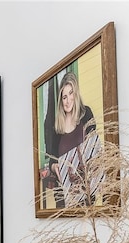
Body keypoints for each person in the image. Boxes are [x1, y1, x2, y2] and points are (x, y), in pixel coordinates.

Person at [45, 71, 97, 207]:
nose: (68, 101)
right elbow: (52, 158)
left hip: (85, 192)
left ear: (76, 93)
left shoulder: (86, 114)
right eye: (64, 97)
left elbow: (94, 149)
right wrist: (54, 166)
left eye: (71, 93)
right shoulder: (57, 125)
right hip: (64, 192)